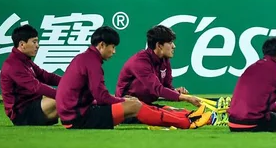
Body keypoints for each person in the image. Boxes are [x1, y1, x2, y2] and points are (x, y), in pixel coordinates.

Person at [56, 26, 211, 130]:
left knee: (147, 106)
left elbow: (93, 96)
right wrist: (125, 101)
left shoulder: (87, 59)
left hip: (76, 114)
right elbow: (101, 97)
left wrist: (177, 94)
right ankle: (186, 122)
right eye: (113, 47)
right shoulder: (93, 63)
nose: (114, 52)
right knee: (136, 105)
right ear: (102, 45)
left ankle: (197, 117)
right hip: (78, 118)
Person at [115, 25, 203, 123]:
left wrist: (175, 91)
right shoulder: (140, 62)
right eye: (170, 43)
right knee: (176, 116)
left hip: (147, 105)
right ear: (159, 45)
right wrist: (187, 98)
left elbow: (166, 87)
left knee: (183, 112)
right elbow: (157, 89)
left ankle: (212, 119)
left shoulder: (165, 60)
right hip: (128, 109)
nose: (174, 46)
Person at [0, 24, 61, 126]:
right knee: (66, 99)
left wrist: (71, 81)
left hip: (33, 105)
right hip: (22, 114)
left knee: (71, 99)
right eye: (34, 42)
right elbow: (36, 87)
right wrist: (65, 94)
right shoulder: (12, 65)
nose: (37, 45)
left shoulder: (25, 60)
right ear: (22, 44)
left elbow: (46, 76)